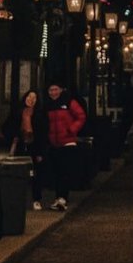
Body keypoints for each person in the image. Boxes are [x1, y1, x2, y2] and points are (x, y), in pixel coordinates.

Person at [1, 90, 48, 210]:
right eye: (29, 97)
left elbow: (43, 133)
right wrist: (15, 135)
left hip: (35, 147)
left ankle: (36, 199)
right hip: (20, 145)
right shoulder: (17, 112)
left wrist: (41, 152)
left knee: (36, 174)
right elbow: (6, 128)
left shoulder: (40, 114)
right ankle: (16, 200)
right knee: (17, 174)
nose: (31, 100)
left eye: (34, 98)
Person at [43, 83, 86, 211]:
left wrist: (71, 130)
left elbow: (81, 116)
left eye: (55, 89)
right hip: (54, 142)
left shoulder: (69, 102)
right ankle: (59, 197)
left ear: (61, 90)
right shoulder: (48, 105)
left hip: (67, 142)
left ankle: (63, 197)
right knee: (57, 171)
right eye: (50, 90)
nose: (53, 92)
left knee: (64, 171)